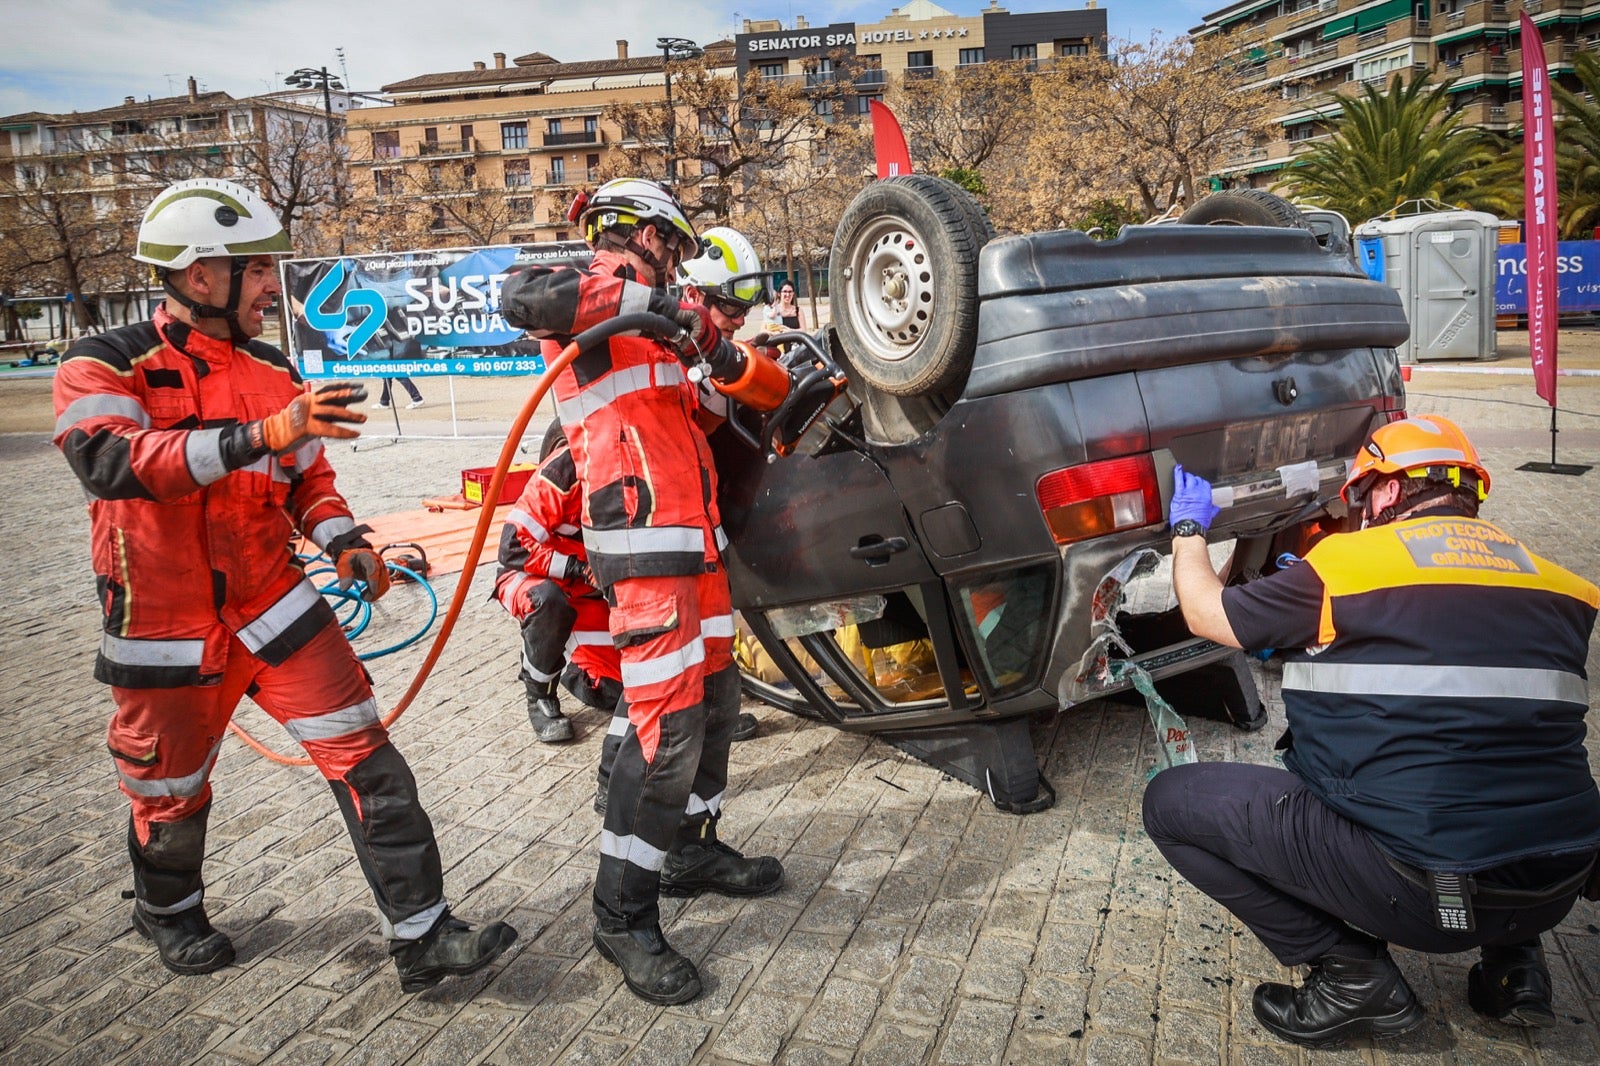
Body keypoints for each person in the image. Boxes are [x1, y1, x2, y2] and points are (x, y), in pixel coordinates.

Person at [52, 178, 517, 991]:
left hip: (275, 603)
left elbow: (308, 480)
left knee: (367, 758)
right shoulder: (103, 362)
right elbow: (111, 461)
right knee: (169, 790)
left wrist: (346, 542)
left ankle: (423, 934)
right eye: (259, 268)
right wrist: (262, 434)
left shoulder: (273, 368)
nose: (274, 285)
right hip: (165, 627)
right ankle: (168, 911)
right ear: (200, 274)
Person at [1145, 415, 1600, 1047]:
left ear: (1386, 491)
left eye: (1360, 500)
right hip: (1557, 884)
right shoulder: (1565, 587)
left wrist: (1190, 530)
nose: (1357, 515)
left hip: (1431, 896)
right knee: (1504, 762)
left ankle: (1354, 981)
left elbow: (1204, 612)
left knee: (1171, 804)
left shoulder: (1345, 567)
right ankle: (1516, 970)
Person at [498, 179, 786, 1006]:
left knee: (718, 706)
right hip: (644, 555)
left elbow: (711, 413)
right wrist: (664, 307)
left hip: (697, 552)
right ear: (644, 234)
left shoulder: (659, 340)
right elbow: (519, 293)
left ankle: (691, 848)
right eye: (676, 248)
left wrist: (731, 362)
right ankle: (622, 915)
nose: (681, 267)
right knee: (665, 735)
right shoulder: (586, 300)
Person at [373, 305, 425, 410]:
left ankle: (416, 398)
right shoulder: (393, 311)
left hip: (395, 350)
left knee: (397, 374)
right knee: (387, 376)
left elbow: (394, 332)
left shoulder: (388, 314)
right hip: (395, 349)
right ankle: (384, 401)